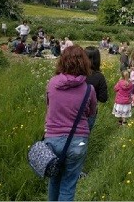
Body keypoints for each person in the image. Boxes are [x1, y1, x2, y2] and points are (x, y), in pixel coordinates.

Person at [44, 45, 97, 201]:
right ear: (84, 63)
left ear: (63, 62)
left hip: (52, 139)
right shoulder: (89, 90)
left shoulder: (52, 83)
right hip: (78, 141)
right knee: (68, 185)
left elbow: (49, 106)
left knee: (54, 180)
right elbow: (91, 114)